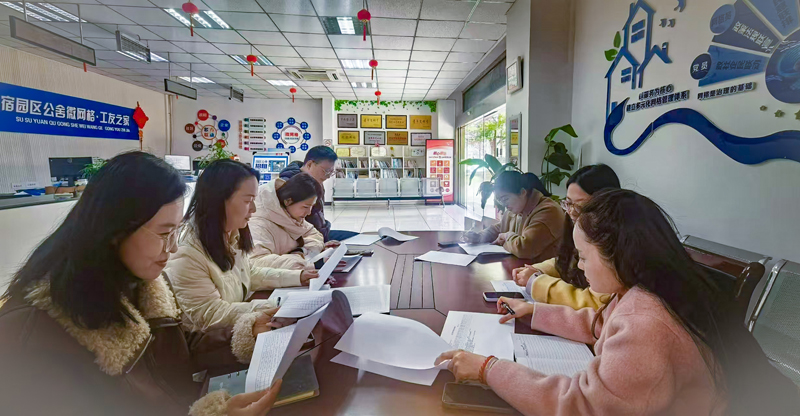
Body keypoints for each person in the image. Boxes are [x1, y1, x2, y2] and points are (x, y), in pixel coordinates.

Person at [437, 189, 800, 416]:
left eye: (583, 257)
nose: (579, 267)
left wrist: (488, 368)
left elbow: (581, 406)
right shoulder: (653, 288)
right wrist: (536, 311)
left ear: (618, 255)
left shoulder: (648, 322)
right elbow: (600, 324)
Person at [0, 152, 281, 416]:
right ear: (115, 229)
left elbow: (175, 351)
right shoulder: (34, 332)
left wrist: (247, 333)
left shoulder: (145, 284)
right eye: (164, 233)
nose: (173, 248)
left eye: (176, 232)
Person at [166, 160, 317, 351]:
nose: (253, 209)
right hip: (216, 347)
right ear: (218, 200)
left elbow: (249, 272)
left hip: (238, 331)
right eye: (247, 201)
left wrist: (297, 277)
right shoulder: (187, 254)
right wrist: (272, 306)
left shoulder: (232, 234)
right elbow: (210, 314)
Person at [511, 164, 620, 309]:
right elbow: (565, 260)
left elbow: (595, 303)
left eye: (580, 206)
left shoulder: (614, 243)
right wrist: (538, 270)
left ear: (604, 204)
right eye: (568, 203)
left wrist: (538, 283)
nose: (571, 212)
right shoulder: (575, 224)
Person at [463, 171, 565, 261]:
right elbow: (499, 229)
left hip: (546, 274)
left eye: (505, 199)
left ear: (522, 192)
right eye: (500, 200)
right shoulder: (516, 209)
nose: (504, 204)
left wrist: (506, 237)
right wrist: (479, 237)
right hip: (522, 269)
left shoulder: (548, 211)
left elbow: (524, 248)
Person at [249, 172, 324, 278]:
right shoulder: (258, 224)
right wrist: (305, 262)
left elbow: (314, 235)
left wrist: (302, 251)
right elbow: (257, 262)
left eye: (311, 206)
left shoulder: (289, 214)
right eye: (306, 207)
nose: (309, 212)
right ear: (288, 201)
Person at [280, 146, 358, 242]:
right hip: (308, 239)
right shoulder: (289, 185)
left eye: (331, 172)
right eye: (326, 171)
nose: (328, 176)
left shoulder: (315, 182)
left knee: (360, 238)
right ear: (309, 164)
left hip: (320, 233)